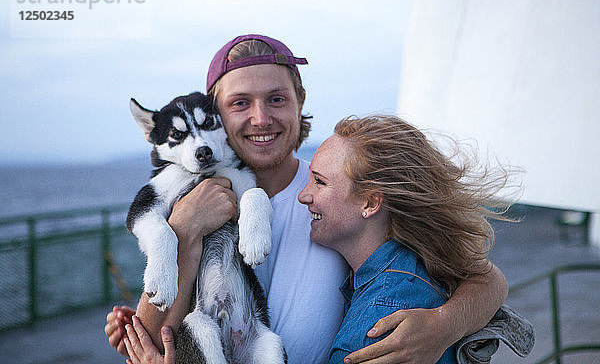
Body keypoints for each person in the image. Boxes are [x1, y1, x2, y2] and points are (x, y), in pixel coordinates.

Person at [105, 34, 509, 364]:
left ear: (301, 103)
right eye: (240, 103)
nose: (261, 118)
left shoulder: (335, 193)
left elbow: (487, 280)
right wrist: (184, 231)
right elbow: (151, 340)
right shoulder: (192, 202)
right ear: (214, 116)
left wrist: (442, 326)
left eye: (277, 99)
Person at [298, 115, 514, 363]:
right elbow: (489, 275)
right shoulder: (417, 264)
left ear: (369, 203)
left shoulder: (378, 327)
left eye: (319, 182)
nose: (303, 195)